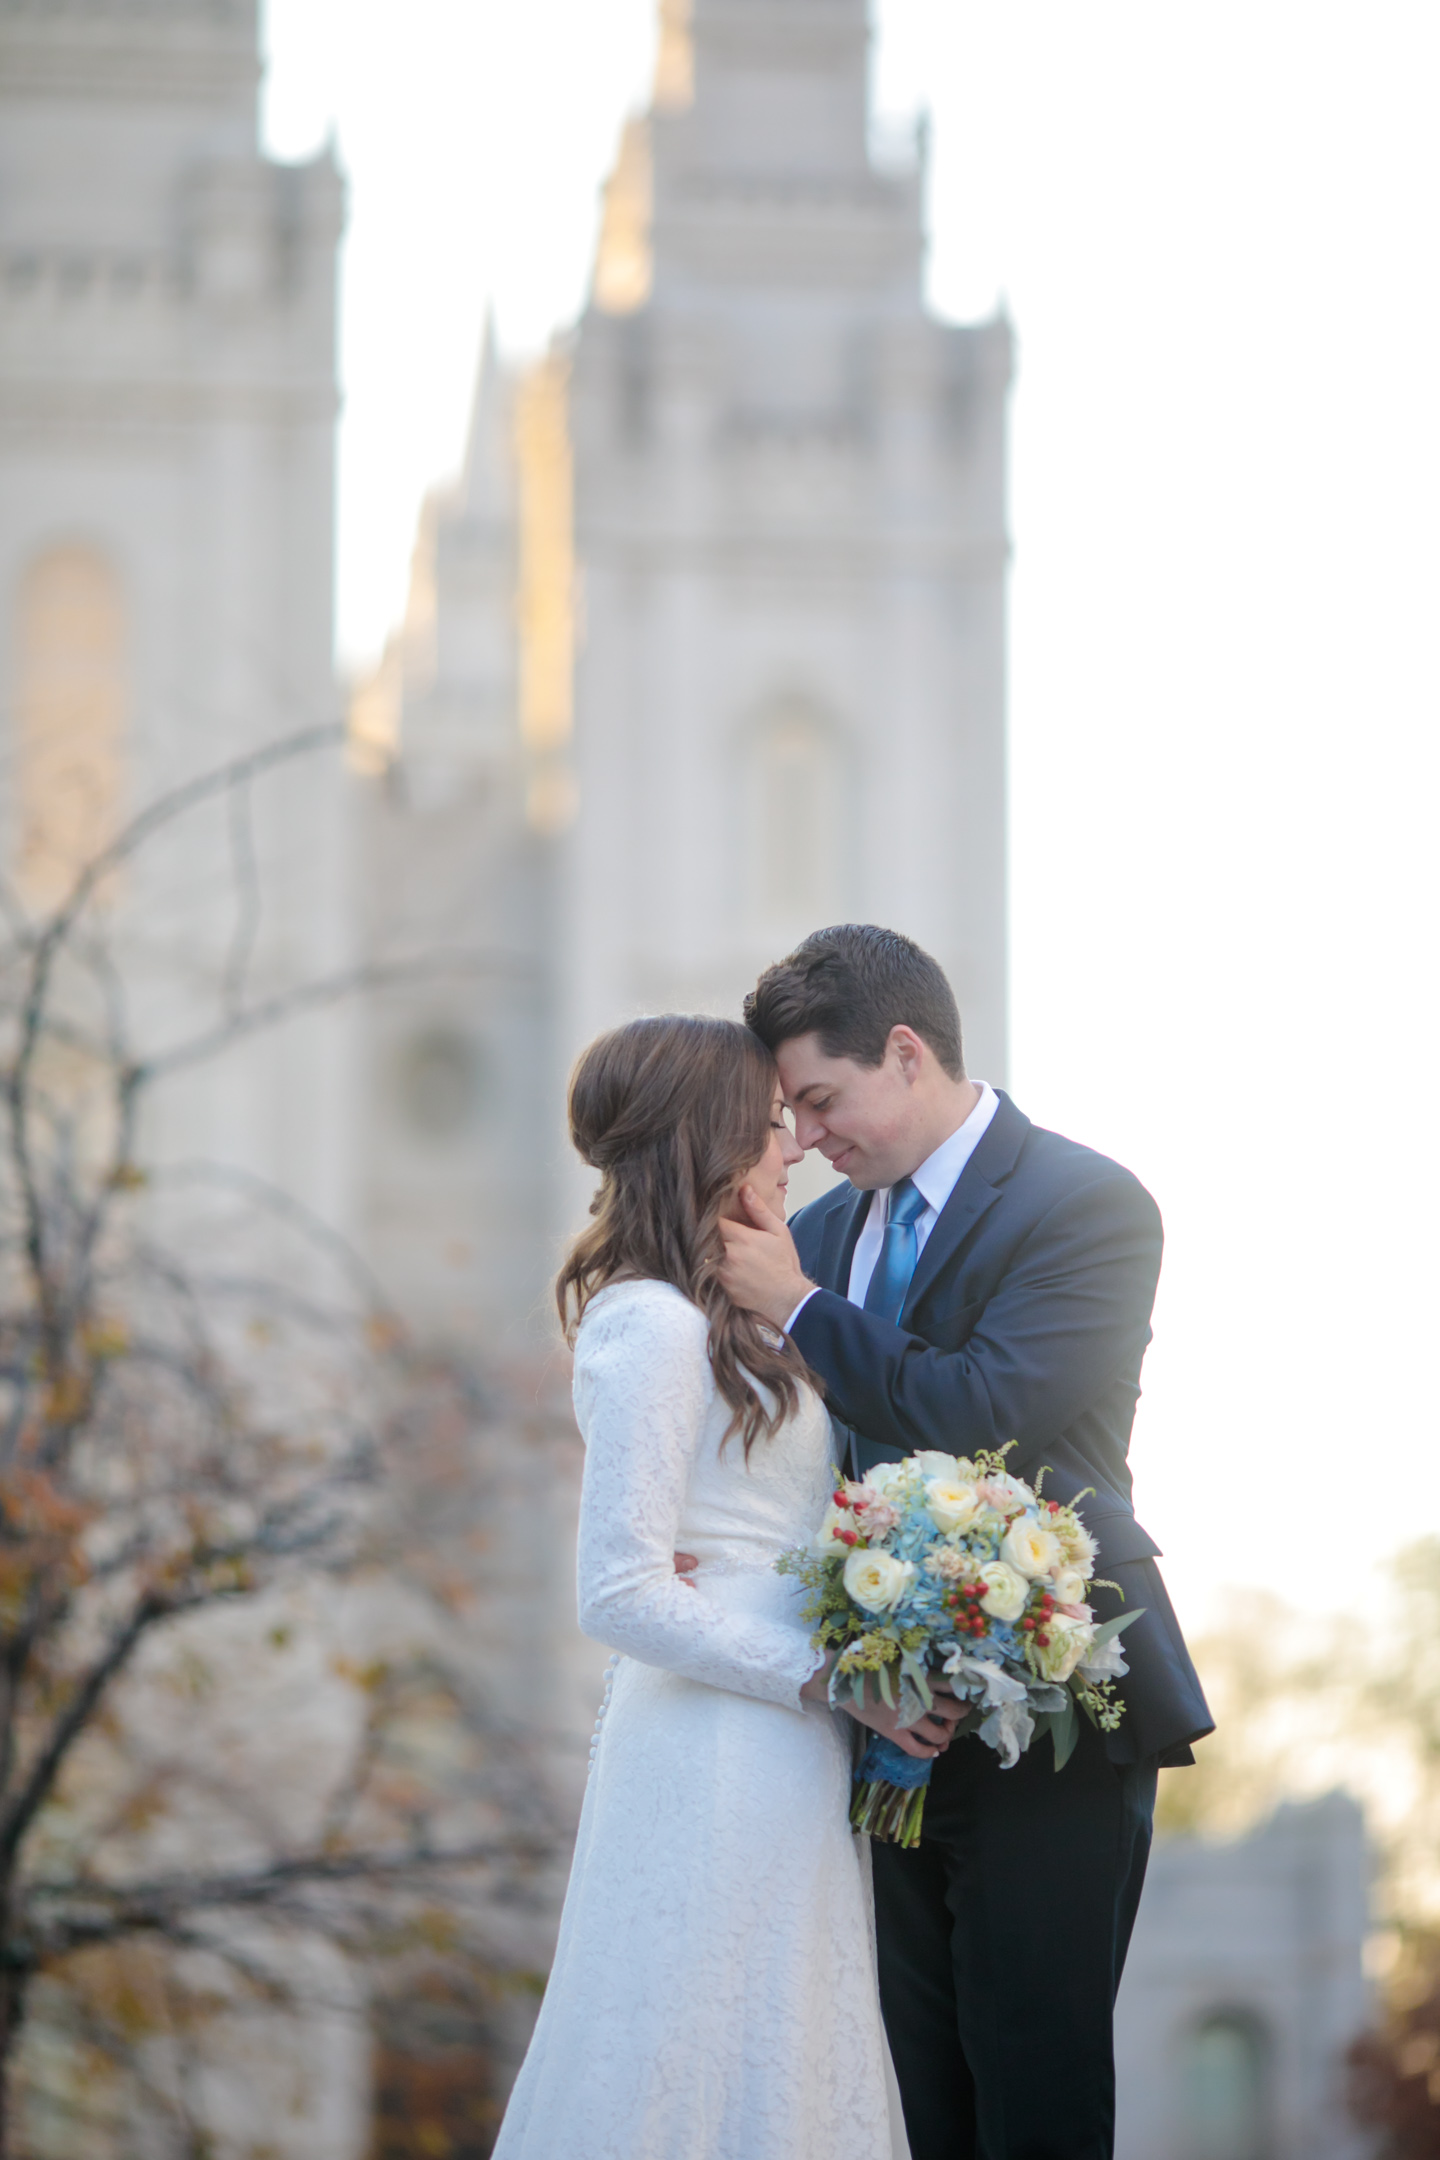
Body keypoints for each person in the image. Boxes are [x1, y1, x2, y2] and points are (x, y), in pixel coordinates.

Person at [719, 924, 1214, 2160]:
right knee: (905, 2096)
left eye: (822, 1101)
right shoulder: (822, 1238)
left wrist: (798, 1308)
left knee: (1034, 2086)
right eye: (795, 1113)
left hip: (1059, 1695)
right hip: (873, 1722)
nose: (811, 1139)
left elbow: (989, 1406)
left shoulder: (1085, 1202)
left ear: (903, 1050)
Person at [493, 1013, 947, 2160]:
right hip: (719, 1742)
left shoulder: (736, 1317)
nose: (790, 1146)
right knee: (696, 2038)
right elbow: (619, 1592)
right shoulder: (647, 1323)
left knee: (783, 2042)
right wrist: (829, 1677)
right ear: (706, 1143)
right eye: (764, 1128)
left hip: (784, 1738)